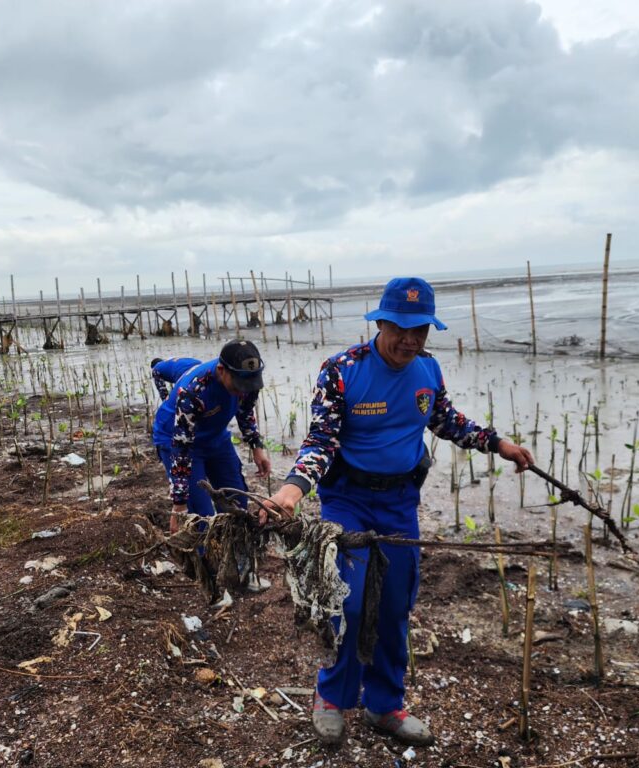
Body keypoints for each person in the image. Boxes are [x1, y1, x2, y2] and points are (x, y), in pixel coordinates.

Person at [268, 277, 534, 747]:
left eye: (421, 330)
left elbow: (448, 421)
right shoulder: (342, 370)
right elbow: (321, 441)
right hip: (347, 500)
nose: (411, 340)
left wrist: (498, 443)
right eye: (402, 329)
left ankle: (384, 704)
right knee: (347, 601)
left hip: (399, 502)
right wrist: (293, 489)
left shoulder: (427, 371)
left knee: (394, 605)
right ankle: (331, 697)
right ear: (381, 322)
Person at [152, 340, 272, 533]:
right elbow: (181, 449)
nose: (243, 391)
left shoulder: (249, 380)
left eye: (248, 385)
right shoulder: (194, 391)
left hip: (216, 437)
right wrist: (179, 503)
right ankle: (203, 558)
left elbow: (245, 411)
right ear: (221, 370)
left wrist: (256, 446)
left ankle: (236, 555)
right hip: (176, 440)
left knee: (236, 502)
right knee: (200, 518)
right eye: (238, 385)